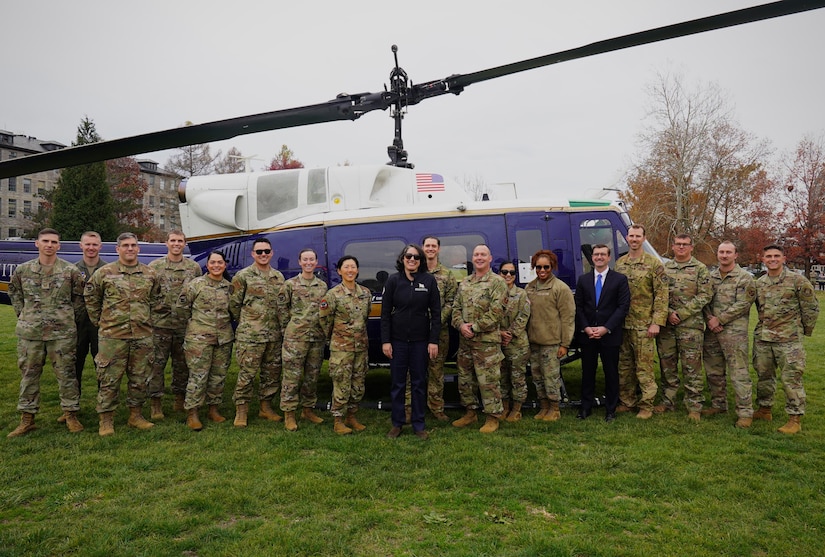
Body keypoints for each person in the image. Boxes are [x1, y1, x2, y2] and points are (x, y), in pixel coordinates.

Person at [7, 228, 85, 437]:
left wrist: (67, 318)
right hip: (31, 333)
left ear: (59, 245)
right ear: (37, 244)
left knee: (67, 375)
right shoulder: (23, 270)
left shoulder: (70, 271)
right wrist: (24, 314)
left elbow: (79, 299)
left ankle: (70, 414)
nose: (49, 245)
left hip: (62, 335)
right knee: (29, 376)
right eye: (45, 241)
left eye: (53, 242)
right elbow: (13, 292)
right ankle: (27, 419)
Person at [85, 232, 161, 436]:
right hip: (113, 336)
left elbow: (156, 299)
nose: (130, 249)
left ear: (138, 249)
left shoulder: (150, 274)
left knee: (139, 377)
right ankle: (106, 419)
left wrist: (147, 320)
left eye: (133, 245)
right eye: (125, 245)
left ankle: (135, 415)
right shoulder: (104, 273)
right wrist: (100, 322)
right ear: (117, 249)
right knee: (109, 378)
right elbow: (91, 297)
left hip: (142, 336)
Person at [752, 244, 819, 434]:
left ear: (783, 258)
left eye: (776, 256)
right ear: (763, 259)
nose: (772, 259)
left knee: (791, 378)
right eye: (768, 256)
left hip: (789, 340)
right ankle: (765, 409)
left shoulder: (798, 281)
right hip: (764, 338)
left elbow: (811, 308)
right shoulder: (759, 283)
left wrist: (804, 331)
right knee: (764, 376)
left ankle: (795, 418)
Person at [382, 244, 440, 439]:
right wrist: (386, 341)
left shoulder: (429, 281)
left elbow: (436, 314)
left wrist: (433, 341)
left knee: (418, 384)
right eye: (409, 256)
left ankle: (418, 425)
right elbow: (385, 315)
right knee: (397, 384)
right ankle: (397, 423)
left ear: (421, 260)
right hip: (397, 342)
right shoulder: (393, 281)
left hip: (420, 342)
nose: (412, 259)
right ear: (403, 259)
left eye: (416, 257)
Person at [654, 234, 712, 422]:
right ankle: (667, 401)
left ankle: (694, 405)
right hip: (667, 325)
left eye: (684, 245)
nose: (681, 247)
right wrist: (669, 312)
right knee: (667, 365)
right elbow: (658, 293)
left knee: (691, 367)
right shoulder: (665, 268)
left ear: (691, 247)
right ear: (672, 247)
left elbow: (705, 295)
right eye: (678, 244)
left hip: (690, 326)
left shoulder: (700, 269)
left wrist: (682, 313)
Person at [229, 238, 286, 427]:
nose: (263, 255)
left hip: (273, 335)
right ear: (253, 254)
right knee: (247, 373)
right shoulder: (243, 276)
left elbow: (282, 305)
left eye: (266, 251)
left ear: (272, 253)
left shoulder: (278, 277)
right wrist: (249, 323)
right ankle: (241, 410)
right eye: (259, 251)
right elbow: (234, 304)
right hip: (251, 336)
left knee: (271, 373)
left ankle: (265, 407)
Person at [614, 224, 668, 420]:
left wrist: (657, 323)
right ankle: (627, 402)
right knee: (625, 366)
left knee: (644, 367)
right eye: (631, 236)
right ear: (626, 239)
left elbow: (662, 295)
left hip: (644, 325)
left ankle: (646, 405)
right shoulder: (620, 264)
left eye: (638, 236)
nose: (634, 239)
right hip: (623, 324)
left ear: (644, 239)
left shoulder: (655, 264)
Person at [147, 230, 202, 419]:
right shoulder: (155, 267)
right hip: (160, 324)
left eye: (180, 241)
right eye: (173, 240)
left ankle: (180, 398)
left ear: (184, 243)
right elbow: (149, 294)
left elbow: (197, 294)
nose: (176, 244)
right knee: (156, 365)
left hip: (183, 325)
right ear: (167, 243)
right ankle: (156, 404)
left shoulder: (193, 268)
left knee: (182, 365)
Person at [451, 244, 506, 433]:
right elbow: (456, 308)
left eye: (483, 254)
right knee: (465, 379)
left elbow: (496, 312)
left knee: (488, 380)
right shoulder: (465, 282)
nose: (479, 257)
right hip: (465, 342)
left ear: (490, 258)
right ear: (472, 258)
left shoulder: (498, 282)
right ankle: (470, 413)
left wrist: (474, 327)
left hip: (486, 343)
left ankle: (492, 417)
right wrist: (460, 325)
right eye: (476, 255)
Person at [702, 241, 756, 428]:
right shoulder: (711, 277)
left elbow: (743, 304)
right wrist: (710, 319)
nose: (724, 255)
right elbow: (705, 300)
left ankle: (745, 412)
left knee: (738, 373)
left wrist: (720, 319)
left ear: (735, 255)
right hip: (712, 332)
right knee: (714, 371)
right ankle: (719, 404)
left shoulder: (744, 278)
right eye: (721, 252)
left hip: (734, 333)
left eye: (728, 252)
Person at [178, 250, 234, 431]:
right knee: (198, 376)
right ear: (207, 265)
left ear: (225, 264)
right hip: (199, 340)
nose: (216, 266)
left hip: (223, 339)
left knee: (218, 376)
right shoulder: (196, 285)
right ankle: (192, 413)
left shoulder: (229, 287)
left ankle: (213, 409)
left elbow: (234, 311)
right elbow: (181, 308)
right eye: (213, 262)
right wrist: (195, 327)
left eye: (220, 262)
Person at [574, 244, 630, 422]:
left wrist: (606, 328)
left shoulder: (619, 279)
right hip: (588, 334)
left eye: (602, 254)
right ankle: (586, 407)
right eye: (596, 254)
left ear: (608, 257)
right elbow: (579, 307)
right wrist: (586, 327)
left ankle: (611, 409)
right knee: (587, 372)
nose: (598, 257)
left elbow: (623, 307)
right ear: (592, 258)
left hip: (610, 334)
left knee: (611, 372)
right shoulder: (583, 280)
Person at [320, 255, 372, 435]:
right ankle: (338, 420)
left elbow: (365, 318)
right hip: (341, 349)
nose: (350, 270)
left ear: (357, 270)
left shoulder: (365, 293)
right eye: (346, 267)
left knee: (358, 384)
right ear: (339, 271)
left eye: (353, 267)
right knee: (341, 383)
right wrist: (336, 337)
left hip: (361, 347)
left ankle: (352, 416)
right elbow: (324, 320)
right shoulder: (332, 295)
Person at [280, 248, 328, 431]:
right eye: (305, 260)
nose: (308, 263)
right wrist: (290, 329)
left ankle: (307, 410)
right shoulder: (290, 285)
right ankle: (289, 413)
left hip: (316, 338)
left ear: (316, 262)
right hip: (295, 339)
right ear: (299, 262)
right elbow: (282, 309)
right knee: (292, 377)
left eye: (312, 260)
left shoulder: (322, 286)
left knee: (312, 376)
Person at [524, 250, 575, 422]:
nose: (542, 270)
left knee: (551, 377)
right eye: (538, 267)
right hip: (534, 342)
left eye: (546, 267)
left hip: (552, 343)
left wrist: (565, 344)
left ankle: (555, 408)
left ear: (552, 267)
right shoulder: (529, 287)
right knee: (537, 377)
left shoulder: (560, 288)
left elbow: (568, 318)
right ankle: (543, 406)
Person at [421, 235, 457, 421]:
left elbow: (451, 302)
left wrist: (436, 321)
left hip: (439, 332)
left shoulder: (447, 275)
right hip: (416, 332)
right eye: (427, 245)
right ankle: (412, 408)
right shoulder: (415, 271)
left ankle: (436, 407)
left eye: (433, 246)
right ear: (422, 248)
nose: (430, 249)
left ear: (439, 249)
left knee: (436, 370)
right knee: (414, 371)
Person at [73, 231, 107, 396]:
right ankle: (72, 404)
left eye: (94, 244)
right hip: (77, 324)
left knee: (102, 363)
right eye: (87, 244)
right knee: (74, 363)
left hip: (100, 325)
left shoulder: (108, 270)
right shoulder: (72, 270)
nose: (91, 248)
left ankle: (103, 402)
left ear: (100, 246)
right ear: (81, 246)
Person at [498, 261, 531, 422]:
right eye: (505, 272)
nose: (508, 275)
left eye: (512, 273)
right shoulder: (495, 294)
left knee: (517, 377)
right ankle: (504, 407)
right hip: (498, 342)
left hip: (517, 344)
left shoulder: (521, 294)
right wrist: (499, 333)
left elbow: (523, 316)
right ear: (499, 274)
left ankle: (517, 408)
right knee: (501, 376)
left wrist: (509, 333)